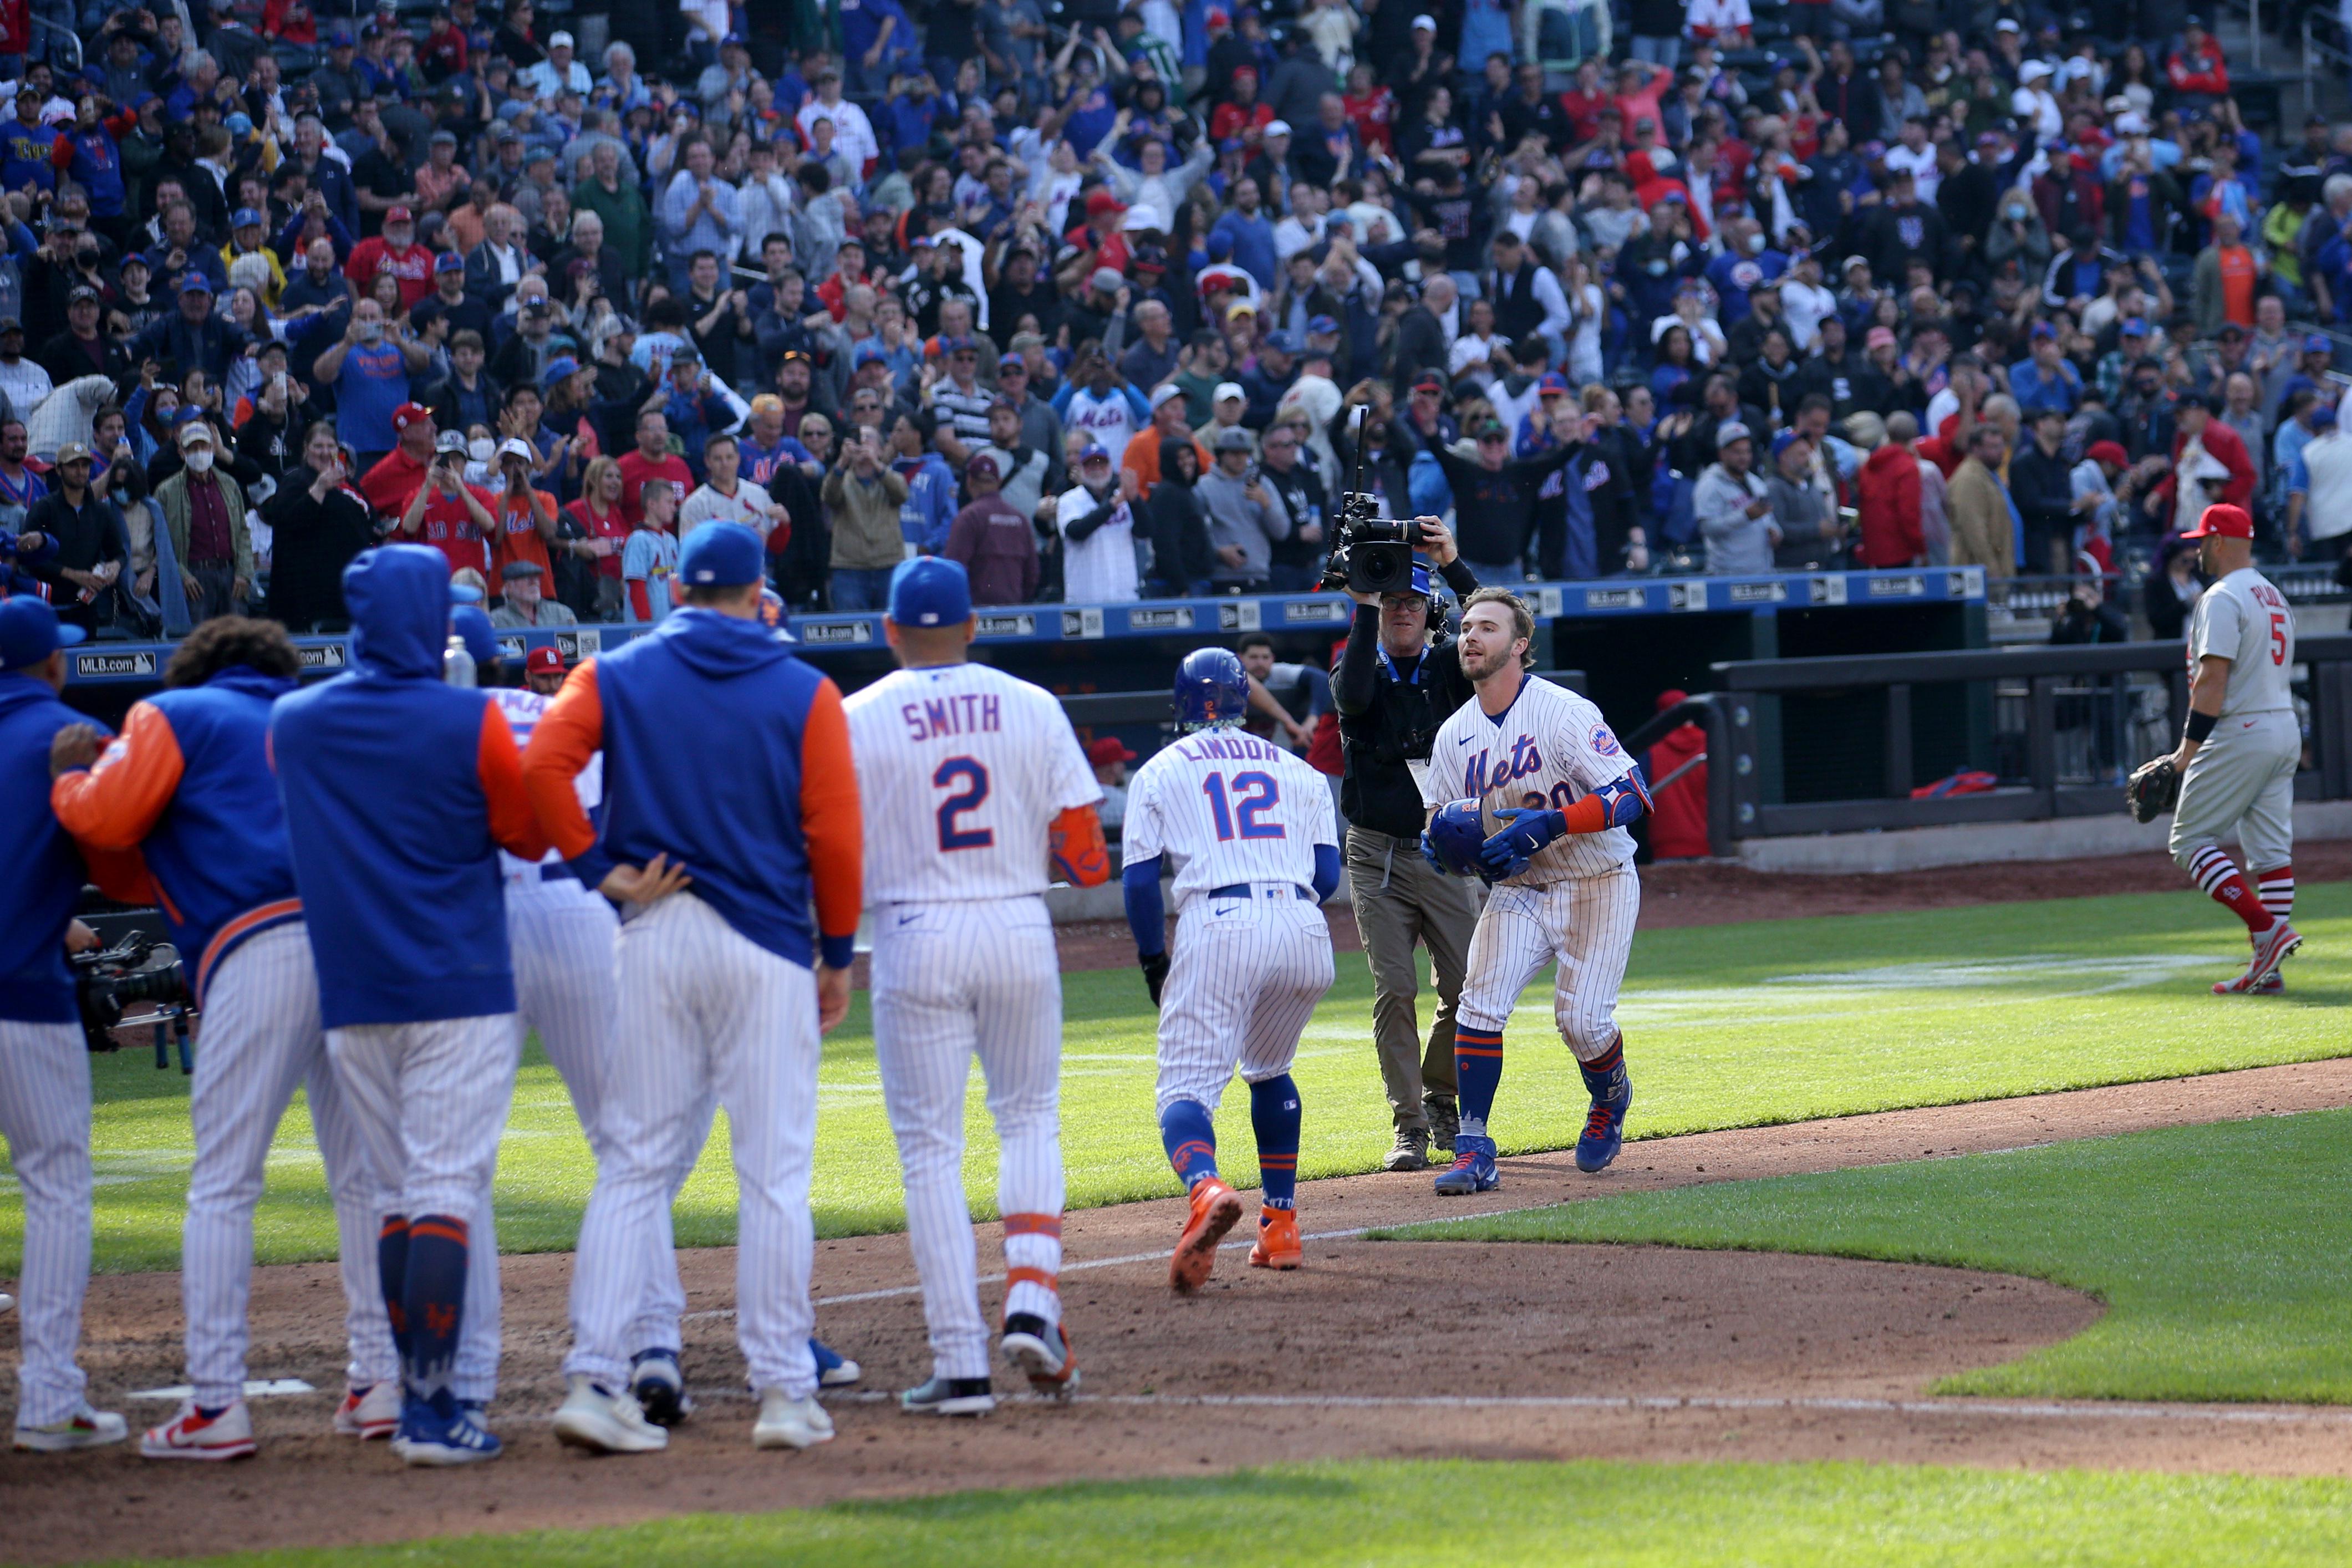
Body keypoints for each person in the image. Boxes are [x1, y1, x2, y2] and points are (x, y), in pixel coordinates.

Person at [523, 521, 863, 1455]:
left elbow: (542, 763)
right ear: (760, 593)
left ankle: (595, 1377)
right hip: (763, 943)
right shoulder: (805, 687)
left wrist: (597, 868)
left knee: (633, 1163)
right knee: (772, 1173)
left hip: (656, 928)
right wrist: (837, 950)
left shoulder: (615, 671)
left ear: (676, 589)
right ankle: (785, 1392)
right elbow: (834, 835)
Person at [47, 617, 394, 1460]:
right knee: (364, 1176)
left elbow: (110, 821)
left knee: (226, 1183)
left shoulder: (180, 713)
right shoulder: (318, 713)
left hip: (258, 945)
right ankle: (381, 1381)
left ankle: (215, 1404)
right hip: (353, 943)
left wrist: (66, 781)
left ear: (198, 667)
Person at [268, 543, 549, 1465]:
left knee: (394, 1194)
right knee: (439, 1190)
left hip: (354, 990)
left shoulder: (295, 719)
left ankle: (406, 1391)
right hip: (458, 980)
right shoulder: (468, 716)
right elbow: (521, 828)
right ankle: (432, 1407)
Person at [842, 556, 1108, 1414]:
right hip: (1017, 922)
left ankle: (958, 1363)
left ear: (888, 631)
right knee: (1028, 1118)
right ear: (971, 626)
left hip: (912, 930)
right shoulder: (1030, 705)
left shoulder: (855, 716)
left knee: (929, 1153)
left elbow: (832, 851)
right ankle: (1033, 1297)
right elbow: (1084, 854)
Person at [1119, 648, 1340, 1290]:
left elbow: (1139, 883)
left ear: (1181, 704)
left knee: (1183, 1092)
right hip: (1304, 927)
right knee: (1269, 1068)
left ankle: (1206, 1188)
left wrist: (1152, 959)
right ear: (1247, 700)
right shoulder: (1296, 769)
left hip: (1220, 920)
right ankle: (1281, 1226)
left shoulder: (1160, 770)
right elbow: (1327, 876)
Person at [1418, 589, 1650, 1193]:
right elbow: (1442, 815)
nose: (1470, 636)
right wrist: (1445, 846)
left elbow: (1632, 796)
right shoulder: (1453, 735)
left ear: (1519, 644)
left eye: (1487, 628)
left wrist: (1549, 824)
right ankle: (1473, 1147)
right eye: (1466, 627)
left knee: (1581, 1020)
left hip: (1596, 876)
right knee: (1478, 1004)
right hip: (1519, 888)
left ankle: (1610, 1093)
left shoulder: (1563, 711)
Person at [0, 596, 130, 1453]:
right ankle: (48, 1396)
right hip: (21, 997)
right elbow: (124, 848)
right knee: (55, 1186)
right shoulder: (67, 735)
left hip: (26, 959)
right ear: (51, 661)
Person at [1332, 543, 1481, 1169]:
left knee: (1469, 986)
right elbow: (1357, 698)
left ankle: (1442, 1096)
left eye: (1413, 601)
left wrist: (1453, 562)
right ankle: (1409, 1125)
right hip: (1377, 856)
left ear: (1430, 609)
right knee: (1396, 987)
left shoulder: (1450, 668)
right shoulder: (1354, 667)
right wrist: (1363, 608)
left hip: (1444, 848)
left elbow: (1509, 636)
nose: (1403, 611)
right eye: (1392, 600)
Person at [2155, 503, 2303, 996]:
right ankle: (2270, 969)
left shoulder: (2221, 596)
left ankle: (2267, 930)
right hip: (2283, 726)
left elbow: (2213, 680)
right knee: (2270, 854)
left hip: (2242, 727)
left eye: (2201, 540)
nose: (2196, 549)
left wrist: (2185, 753)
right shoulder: (2273, 593)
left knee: (2190, 840)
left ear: (2218, 542)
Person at [263, 422, 376, 630]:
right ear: (306, 449)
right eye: (318, 446)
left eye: (330, 446)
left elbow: (369, 519)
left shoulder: (347, 483)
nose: (325, 453)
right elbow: (290, 521)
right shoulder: (295, 481)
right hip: (309, 596)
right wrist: (319, 488)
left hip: (347, 589)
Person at [152, 426, 254, 620]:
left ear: (213, 448)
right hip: (194, 578)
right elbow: (161, 543)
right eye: (193, 448)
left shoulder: (230, 484)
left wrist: (244, 573)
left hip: (230, 574)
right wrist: (182, 576)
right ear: (182, 453)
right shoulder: (166, 492)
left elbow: (242, 532)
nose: (199, 452)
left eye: (204, 446)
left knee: (237, 642)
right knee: (199, 643)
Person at [940, 452, 1037, 606]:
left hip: (977, 615)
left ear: (970, 481)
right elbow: (1032, 574)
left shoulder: (968, 518)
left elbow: (953, 571)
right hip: (1015, 613)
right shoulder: (1020, 519)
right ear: (998, 482)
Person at [1055, 442, 1139, 604]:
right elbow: (1076, 531)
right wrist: (1112, 505)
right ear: (1081, 468)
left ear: (1110, 467)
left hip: (1124, 597)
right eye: (1091, 465)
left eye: (1102, 463)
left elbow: (1145, 531)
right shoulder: (1069, 500)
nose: (1097, 469)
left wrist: (1136, 500)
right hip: (1085, 598)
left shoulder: (1124, 498)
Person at [1692, 421, 1775, 573]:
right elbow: (1707, 529)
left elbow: (1769, 520)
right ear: (1722, 453)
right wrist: (1745, 516)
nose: (1744, 457)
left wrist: (1775, 531)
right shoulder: (1709, 484)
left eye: (1747, 452)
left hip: (1762, 572)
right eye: (1737, 452)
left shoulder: (1756, 483)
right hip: (1726, 575)